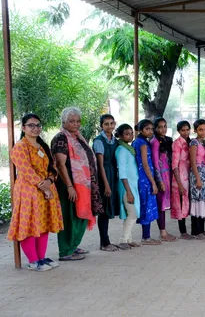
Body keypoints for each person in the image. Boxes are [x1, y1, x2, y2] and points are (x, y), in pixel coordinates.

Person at [8, 114, 63, 271]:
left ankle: (41, 257)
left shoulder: (42, 146)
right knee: (29, 225)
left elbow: (53, 168)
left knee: (43, 224)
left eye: (38, 125)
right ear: (23, 128)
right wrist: (44, 186)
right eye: (31, 125)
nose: (35, 128)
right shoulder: (20, 147)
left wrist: (50, 181)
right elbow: (26, 170)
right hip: (29, 192)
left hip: (46, 190)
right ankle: (33, 261)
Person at [51, 107, 100, 261]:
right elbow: (60, 164)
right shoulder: (61, 138)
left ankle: (73, 245)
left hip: (82, 185)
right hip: (68, 185)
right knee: (69, 217)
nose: (76, 124)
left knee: (80, 215)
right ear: (64, 122)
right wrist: (70, 187)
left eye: (78, 121)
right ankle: (65, 251)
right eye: (71, 121)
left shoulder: (77, 137)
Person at [92, 114, 120, 252]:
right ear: (101, 126)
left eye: (111, 123)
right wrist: (106, 184)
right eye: (106, 124)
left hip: (113, 175)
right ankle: (104, 242)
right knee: (104, 210)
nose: (109, 126)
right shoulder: (99, 141)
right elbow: (100, 165)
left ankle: (107, 241)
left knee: (109, 208)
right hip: (104, 176)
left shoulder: (115, 140)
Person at [132, 119, 161, 245]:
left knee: (146, 206)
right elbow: (145, 164)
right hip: (145, 179)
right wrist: (153, 182)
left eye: (151, 129)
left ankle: (146, 236)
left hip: (142, 178)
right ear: (140, 130)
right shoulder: (143, 144)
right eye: (147, 129)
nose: (150, 131)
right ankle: (146, 237)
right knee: (147, 206)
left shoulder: (137, 142)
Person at [114, 124, 141, 249]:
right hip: (127, 187)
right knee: (132, 213)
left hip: (133, 186)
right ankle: (123, 240)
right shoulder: (121, 150)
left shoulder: (128, 149)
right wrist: (128, 191)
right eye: (127, 133)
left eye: (131, 133)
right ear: (119, 135)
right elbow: (122, 173)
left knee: (132, 212)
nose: (130, 135)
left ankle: (128, 239)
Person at [151, 117, 177, 242]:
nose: (163, 129)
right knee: (161, 204)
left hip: (169, 176)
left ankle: (164, 230)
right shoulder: (155, 142)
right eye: (160, 127)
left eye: (165, 126)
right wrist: (159, 180)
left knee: (165, 204)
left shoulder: (167, 140)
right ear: (155, 128)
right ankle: (163, 232)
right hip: (161, 176)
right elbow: (156, 163)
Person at [171, 121, 194, 239]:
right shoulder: (177, 144)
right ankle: (183, 232)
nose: (185, 132)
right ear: (179, 131)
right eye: (182, 130)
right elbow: (174, 165)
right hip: (179, 177)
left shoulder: (190, 142)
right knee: (180, 204)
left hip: (188, 176)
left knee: (186, 203)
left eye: (187, 130)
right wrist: (179, 183)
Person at [190, 119, 205, 239]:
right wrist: (197, 179)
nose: (203, 132)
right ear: (196, 130)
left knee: (203, 200)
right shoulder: (194, 143)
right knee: (197, 200)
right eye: (200, 130)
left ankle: (202, 229)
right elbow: (192, 162)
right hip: (196, 173)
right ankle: (196, 231)